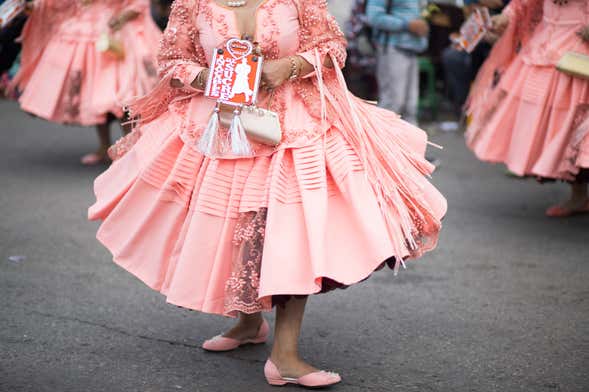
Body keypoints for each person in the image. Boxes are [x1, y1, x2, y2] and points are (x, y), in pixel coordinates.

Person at [89, 0, 447, 387]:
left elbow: (332, 46)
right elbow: (173, 61)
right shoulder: (190, 3)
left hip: (296, 125)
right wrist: (217, 79)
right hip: (222, 125)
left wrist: (287, 67)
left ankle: (286, 355)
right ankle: (248, 323)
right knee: (240, 227)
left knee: (289, 231)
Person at [465, 0, 589, 216]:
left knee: (579, 130)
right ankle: (578, 194)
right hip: (546, 49)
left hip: (579, 49)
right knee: (559, 132)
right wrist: (507, 15)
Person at [10, 0, 162, 165]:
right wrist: (35, 5)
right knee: (93, 96)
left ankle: (131, 147)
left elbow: (138, 4)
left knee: (124, 97)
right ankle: (105, 147)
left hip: (118, 35)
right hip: (85, 35)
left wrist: (122, 17)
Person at [366, 0, 429, 125]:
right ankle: (383, 142)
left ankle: (411, 143)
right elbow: (373, 17)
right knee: (392, 104)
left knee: (410, 106)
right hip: (391, 49)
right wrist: (407, 25)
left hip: (412, 48)